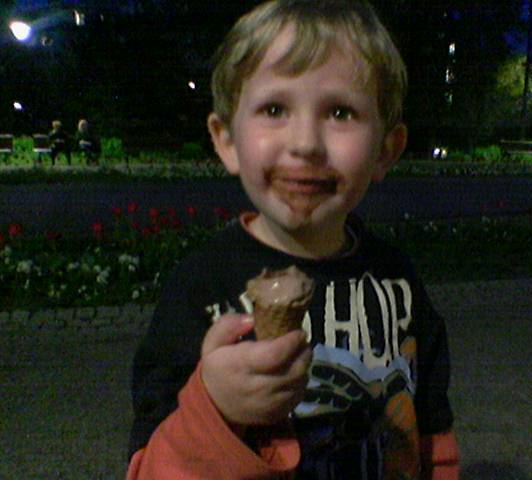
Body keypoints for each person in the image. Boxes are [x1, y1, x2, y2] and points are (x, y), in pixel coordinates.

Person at [127, 1, 460, 478]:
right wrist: (214, 408)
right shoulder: (199, 287)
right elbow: (148, 468)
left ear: (386, 150)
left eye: (341, 112)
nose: (305, 143)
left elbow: (431, 435)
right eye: (274, 109)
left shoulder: (398, 281)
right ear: (227, 140)